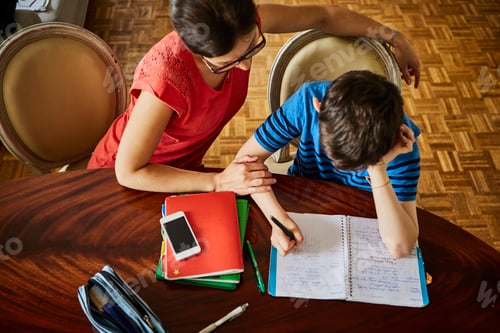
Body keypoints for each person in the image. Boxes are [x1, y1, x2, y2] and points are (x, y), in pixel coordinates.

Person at [87, 0, 421, 197]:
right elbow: (128, 171)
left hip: (189, 174)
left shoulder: (242, 20)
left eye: (253, 48)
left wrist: (394, 36)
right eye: (229, 62)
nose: (245, 66)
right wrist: (218, 181)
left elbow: (325, 15)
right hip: (128, 180)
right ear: (195, 50)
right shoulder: (165, 79)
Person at [236, 70, 420, 259]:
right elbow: (245, 161)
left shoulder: (400, 143)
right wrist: (277, 219)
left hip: (365, 212)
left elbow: (400, 247)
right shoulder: (308, 98)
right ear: (319, 107)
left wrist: (377, 168)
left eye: (359, 165)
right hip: (303, 197)